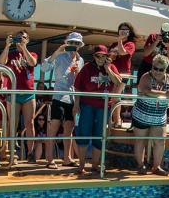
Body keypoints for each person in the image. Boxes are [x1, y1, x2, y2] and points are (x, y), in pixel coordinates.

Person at [73, 44, 121, 178]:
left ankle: (95, 165)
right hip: (87, 105)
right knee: (83, 134)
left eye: (103, 56)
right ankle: (81, 165)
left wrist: (108, 69)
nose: (100, 58)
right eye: (97, 56)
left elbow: (118, 82)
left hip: (104, 107)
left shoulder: (111, 67)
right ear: (94, 56)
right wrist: (76, 104)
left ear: (107, 57)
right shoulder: (87, 68)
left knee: (99, 135)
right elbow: (77, 87)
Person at [131, 54, 169, 175]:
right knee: (140, 140)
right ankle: (141, 165)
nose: (157, 71)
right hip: (141, 115)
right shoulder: (146, 77)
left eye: (161, 69)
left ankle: (156, 167)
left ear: (165, 69)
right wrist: (167, 93)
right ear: (152, 66)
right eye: (155, 68)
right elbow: (147, 91)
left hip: (159, 117)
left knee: (160, 141)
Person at [44, 32, 83, 168]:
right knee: (53, 128)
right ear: (67, 43)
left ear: (80, 45)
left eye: (76, 43)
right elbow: (44, 68)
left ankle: (67, 158)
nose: (74, 45)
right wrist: (57, 52)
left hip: (72, 99)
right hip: (59, 96)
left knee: (69, 130)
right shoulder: (60, 56)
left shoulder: (80, 60)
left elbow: (80, 82)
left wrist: (78, 73)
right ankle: (49, 159)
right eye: (71, 43)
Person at [0, 29, 39, 155]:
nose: (20, 40)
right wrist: (7, 46)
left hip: (28, 94)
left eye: (23, 38)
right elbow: (2, 63)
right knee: (12, 124)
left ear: (28, 40)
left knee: (30, 123)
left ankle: (31, 153)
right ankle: (10, 152)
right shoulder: (11, 55)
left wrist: (24, 47)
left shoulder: (32, 54)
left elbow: (32, 63)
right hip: (13, 94)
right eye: (18, 38)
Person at [106, 22, 136, 127]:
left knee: (115, 96)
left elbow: (122, 52)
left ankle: (118, 120)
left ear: (129, 32)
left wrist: (120, 41)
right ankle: (112, 120)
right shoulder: (113, 44)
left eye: (126, 30)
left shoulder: (130, 44)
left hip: (123, 74)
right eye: (121, 29)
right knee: (112, 97)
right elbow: (109, 56)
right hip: (112, 73)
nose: (123, 31)